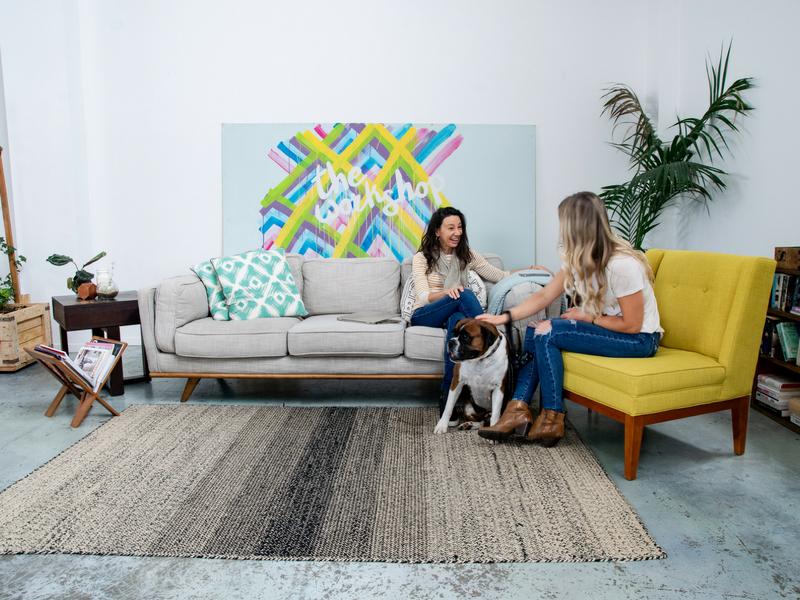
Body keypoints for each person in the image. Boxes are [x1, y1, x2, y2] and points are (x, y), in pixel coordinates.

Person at [477, 191, 663, 447]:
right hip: (615, 331)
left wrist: (588, 317)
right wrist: (504, 317)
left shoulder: (622, 265)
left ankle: (551, 419)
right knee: (535, 330)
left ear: (577, 227)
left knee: (548, 332)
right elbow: (544, 295)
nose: (561, 230)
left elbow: (632, 326)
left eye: (563, 222)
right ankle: (517, 410)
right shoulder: (578, 259)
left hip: (641, 340)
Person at [410, 207, 512, 414]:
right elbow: (423, 296)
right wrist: (448, 293)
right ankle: (495, 339)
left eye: (460, 227)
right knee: (463, 294)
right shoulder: (422, 258)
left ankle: (447, 398)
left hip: (452, 314)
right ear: (437, 231)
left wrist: (531, 270)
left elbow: (500, 275)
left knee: (456, 319)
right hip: (425, 314)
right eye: (451, 228)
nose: (457, 232)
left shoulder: (467, 255)